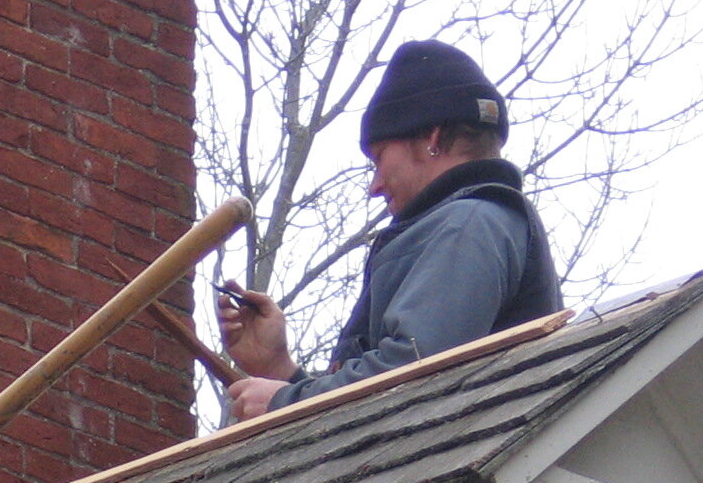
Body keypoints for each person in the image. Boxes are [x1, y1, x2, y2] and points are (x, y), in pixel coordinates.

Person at [219, 40, 562, 423]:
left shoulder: (468, 225)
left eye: (379, 158)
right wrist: (281, 370)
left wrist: (287, 402)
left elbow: (412, 377)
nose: (375, 185)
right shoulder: (466, 224)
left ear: (431, 139)